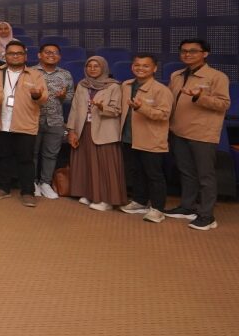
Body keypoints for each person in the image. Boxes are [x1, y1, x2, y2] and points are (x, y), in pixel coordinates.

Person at [165, 39, 230, 230]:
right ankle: (187, 207)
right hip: (178, 130)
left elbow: (223, 104)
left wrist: (199, 96)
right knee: (186, 173)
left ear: (205, 53)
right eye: (184, 51)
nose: (187, 54)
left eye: (193, 51)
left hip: (202, 133)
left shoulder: (217, 77)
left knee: (205, 175)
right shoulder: (176, 75)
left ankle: (207, 215)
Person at [0, 41, 48, 207]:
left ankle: (28, 192)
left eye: (19, 53)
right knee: (3, 157)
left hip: (25, 123)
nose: (15, 56)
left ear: (25, 56)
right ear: (5, 56)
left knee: (26, 160)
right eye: (11, 53)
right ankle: (3, 188)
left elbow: (44, 98)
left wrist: (37, 95)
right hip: (1, 123)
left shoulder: (35, 75)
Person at [117, 54, 174, 223]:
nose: (140, 68)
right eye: (137, 65)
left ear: (154, 68)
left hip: (151, 138)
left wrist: (142, 108)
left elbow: (164, 115)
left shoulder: (161, 90)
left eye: (145, 66)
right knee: (136, 171)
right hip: (129, 137)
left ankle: (157, 209)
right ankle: (139, 201)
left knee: (154, 174)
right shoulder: (126, 85)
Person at [66, 56, 125, 211]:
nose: (92, 69)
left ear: (104, 68)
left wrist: (101, 107)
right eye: (89, 66)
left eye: (96, 66)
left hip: (105, 130)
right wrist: (71, 130)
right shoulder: (82, 85)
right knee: (87, 163)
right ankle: (90, 193)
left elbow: (117, 110)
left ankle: (107, 199)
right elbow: (74, 109)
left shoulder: (113, 86)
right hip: (84, 128)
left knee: (105, 166)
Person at [30, 43, 73, 199]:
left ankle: (45, 183)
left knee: (51, 154)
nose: (51, 55)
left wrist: (63, 97)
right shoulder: (30, 72)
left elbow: (70, 97)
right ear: (39, 55)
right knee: (32, 153)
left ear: (59, 57)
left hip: (55, 120)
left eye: (55, 52)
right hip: (33, 119)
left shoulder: (65, 74)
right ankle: (32, 183)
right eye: (47, 52)